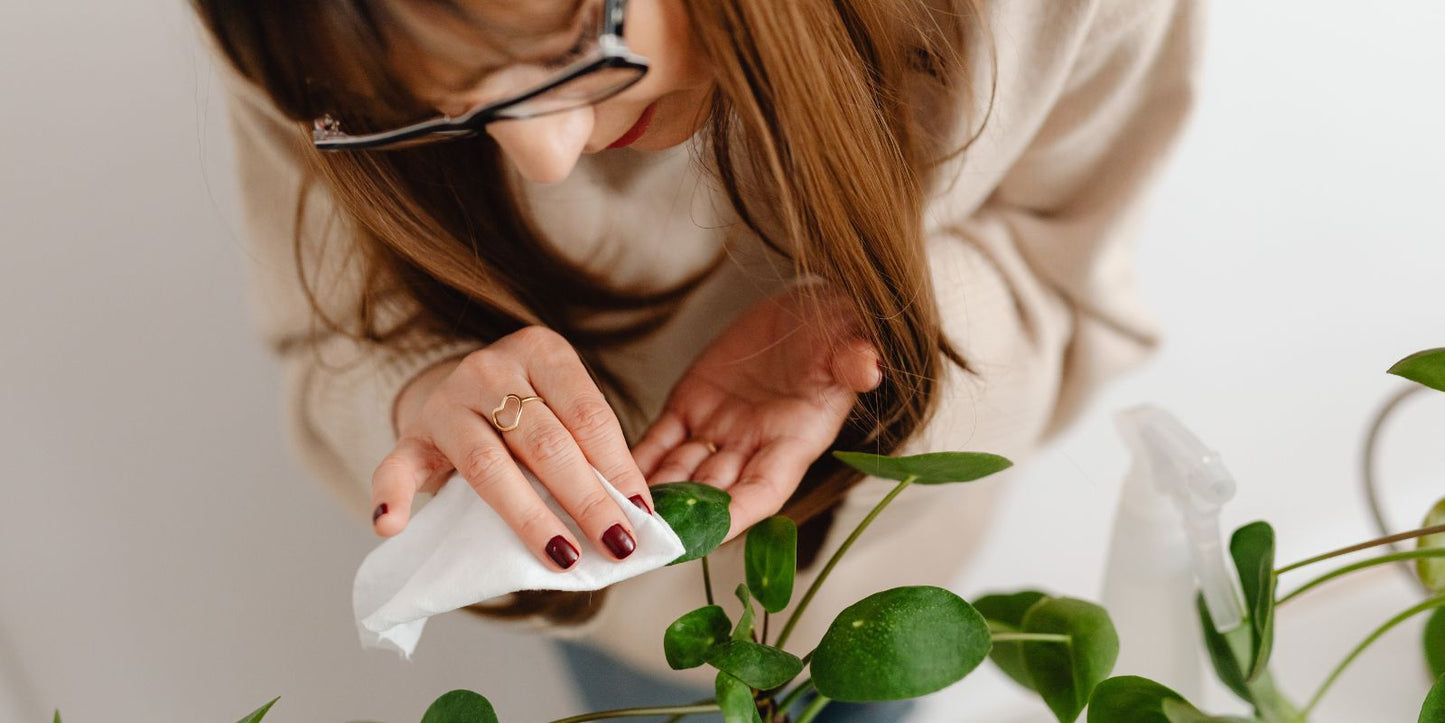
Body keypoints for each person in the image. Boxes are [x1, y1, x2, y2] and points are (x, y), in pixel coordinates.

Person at [195, 0, 1200, 719]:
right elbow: (324, 334)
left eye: (569, 40)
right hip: (625, 625)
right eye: (449, 100)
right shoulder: (298, 30)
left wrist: (885, 336)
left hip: (880, 588)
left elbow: (1070, 283)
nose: (541, 157)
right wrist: (422, 396)